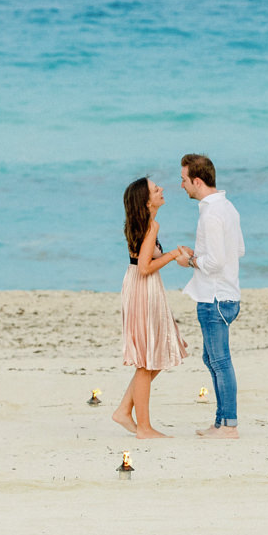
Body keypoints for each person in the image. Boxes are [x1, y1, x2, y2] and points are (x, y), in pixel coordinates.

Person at [112, 176, 193, 439]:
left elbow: (145, 259)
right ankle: (144, 428)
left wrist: (175, 253)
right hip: (142, 290)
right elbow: (145, 267)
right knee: (147, 360)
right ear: (146, 202)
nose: (161, 190)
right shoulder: (150, 227)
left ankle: (125, 410)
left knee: (153, 356)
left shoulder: (147, 225)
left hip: (142, 288)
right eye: (155, 189)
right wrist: (172, 255)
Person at [178, 153, 245, 438]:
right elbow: (237, 250)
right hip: (224, 293)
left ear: (197, 180)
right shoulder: (227, 207)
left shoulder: (211, 213)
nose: (182, 186)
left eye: (184, 180)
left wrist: (191, 262)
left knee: (219, 361)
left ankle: (229, 425)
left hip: (215, 297)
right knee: (212, 358)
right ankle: (220, 422)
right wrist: (201, 256)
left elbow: (216, 262)